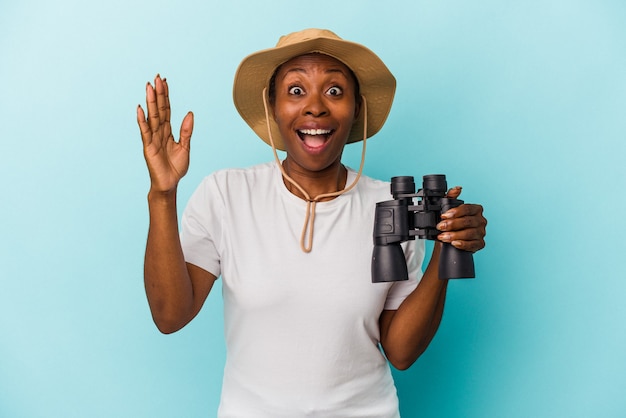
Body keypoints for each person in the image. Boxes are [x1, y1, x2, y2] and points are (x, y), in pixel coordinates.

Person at [136, 28, 487, 417]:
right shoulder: (226, 194)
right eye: (296, 90)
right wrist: (163, 195)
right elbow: (170, 316)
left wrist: (446, 247)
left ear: (357, 109)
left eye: (335, 91)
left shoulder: (389, 205)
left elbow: (401, 353)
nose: (315, 107)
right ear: (272, 106)